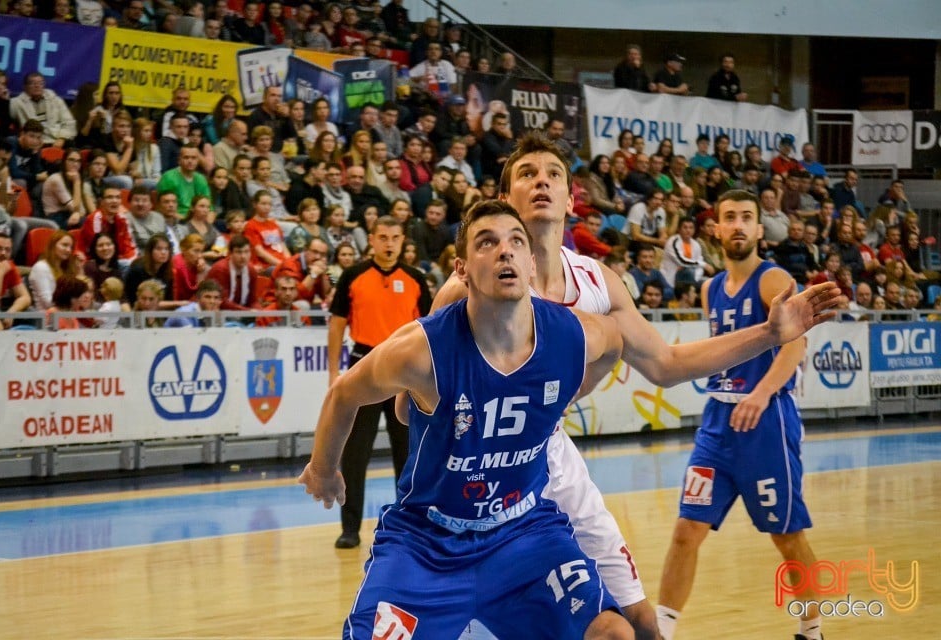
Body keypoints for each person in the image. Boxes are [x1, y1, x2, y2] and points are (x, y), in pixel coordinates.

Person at [425, 133, 842, 640]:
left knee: (637, 620)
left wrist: (770, 334)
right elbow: (416, 406)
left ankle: (810, 627)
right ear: (506, 198)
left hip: (548, 457)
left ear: (571, 197)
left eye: (553, 174)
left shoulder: (598, 281)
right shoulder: (466, 286)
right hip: (468, 475)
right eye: (527, 174)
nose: (541, 181)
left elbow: (667, 362)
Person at [300, 200, 636, 639]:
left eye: (516, 241)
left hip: (522, 532)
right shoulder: (422, 349)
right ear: (461, 268)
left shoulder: (571, 334)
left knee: (614, 632)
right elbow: (344, 392)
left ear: (531, 265)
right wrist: (324, 469)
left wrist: (573, 388)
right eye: (487, 242)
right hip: (427, 542)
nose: (505, 251)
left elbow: (615, 341)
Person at [655, 190, 833, 640]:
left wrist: (760, 393)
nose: (737, 225)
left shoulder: (773, 280)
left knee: (786, 535)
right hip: (717, 423)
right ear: (716, 228)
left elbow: (795, 344)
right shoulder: (709, 288)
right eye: (729, 217)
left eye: (746, 218)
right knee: (685, 530)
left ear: (759, 229)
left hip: (766, 422)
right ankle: (661, 630)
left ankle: (812, 630)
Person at [326, 214, 432, 549]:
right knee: (355, 454)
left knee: (409, 455)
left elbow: (431, 328)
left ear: (403, 241)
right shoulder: (353, 276)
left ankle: (409, 526)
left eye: (395, 238)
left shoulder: (416, 279)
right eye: (382, 237)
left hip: (404, 374)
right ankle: (350, 528)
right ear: (371, 239)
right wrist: (333, 373)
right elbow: (337, 324)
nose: (389, 244)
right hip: (363, 369)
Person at [9, 72, 76, 149]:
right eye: (32, 83)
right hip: (32, 141)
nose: (37, 86)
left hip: (56, 140)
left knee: (71, 144)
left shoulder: (55, 100)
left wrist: (62, 138)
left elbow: (69, 123)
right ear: (25, 86)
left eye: (40, 83)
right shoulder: (16, 103)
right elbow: (5, 121)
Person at [0, 232, 31, 326]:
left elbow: (25, 297)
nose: (3, 253)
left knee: (31, 312)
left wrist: (12, 312)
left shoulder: (9, 265)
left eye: (7, 250)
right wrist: (0, 272)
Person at [156, 144, 211, 221]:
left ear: (198, 160)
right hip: (175, 220)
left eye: (193, 158)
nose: (190, 161)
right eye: (186, 157)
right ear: (179, 160)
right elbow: (163, 207)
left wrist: (207, 225)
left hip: (198, 220)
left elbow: (210, 208)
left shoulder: (201, 179)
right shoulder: (168, 177)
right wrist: (189, 222)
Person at [29, 230, 80, 311]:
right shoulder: (41, 267)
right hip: (48, 319)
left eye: (71, 247)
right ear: (52, 245)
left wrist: (80, 269)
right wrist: (73, 304)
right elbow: (48, 302)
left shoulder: (67, 269)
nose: (68, 250)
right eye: (64, 245)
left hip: (67, 315)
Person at [205, 234, 259, 311]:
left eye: (246, 252)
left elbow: (253, 300)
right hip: (218, 312)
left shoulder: (251, 270)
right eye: (238, 252)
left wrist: (259, 312)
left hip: (241, 311)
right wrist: (247, 311)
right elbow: (222, 302)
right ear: (230, 253)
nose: (243, 256)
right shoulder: (220, 269)